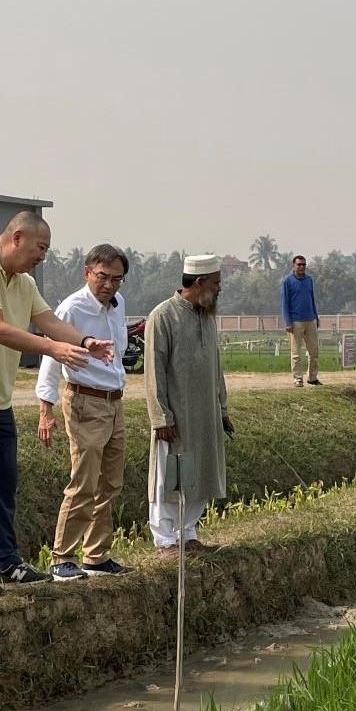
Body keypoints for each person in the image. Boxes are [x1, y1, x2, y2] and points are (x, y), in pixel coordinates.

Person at [0, 212, 112, 596]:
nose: (43, 256)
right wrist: (53, 348)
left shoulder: (25, 282)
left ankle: (6, 562)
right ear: (17, 237)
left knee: (4, 478)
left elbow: (48, 321)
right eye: (40, 248)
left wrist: (84, 343)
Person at [36, 244, 135, 582]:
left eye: (116, 279)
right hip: (84, 399)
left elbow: (117, 354)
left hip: (113, 400)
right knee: (84, 480)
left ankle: (96, 554)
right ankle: (62, 556)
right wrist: (45, 408)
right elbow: (52, 355)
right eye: (102, 277)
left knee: (111, 480)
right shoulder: (73, 308)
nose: (108, 285)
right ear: (87, 273)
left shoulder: (117, 306)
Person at [143, 255, 233, 552]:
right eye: (217, 283)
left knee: (201, 471)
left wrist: (222, 408)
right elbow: (153, 371)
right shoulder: (163, 316)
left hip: (205, 413)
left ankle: (188, 533)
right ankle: (165, 539)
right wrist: (161, 417)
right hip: (176, 416)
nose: (220, 289)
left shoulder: (206, 317)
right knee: (169, 476)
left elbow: (215, 367)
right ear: (200, 282)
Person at [281, 253, 322, 387]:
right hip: (295, 321)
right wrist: (288, 322)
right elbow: (285, 303)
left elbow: (312, 299)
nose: (302, 267)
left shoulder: (309, 280)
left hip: (310, 319)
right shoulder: (288, 281)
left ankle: (312, 377)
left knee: (314, 351)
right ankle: (298, 379)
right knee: (296, 353)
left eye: (304, 264)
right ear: (294, 265)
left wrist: (316, 316)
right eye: (299, 264)